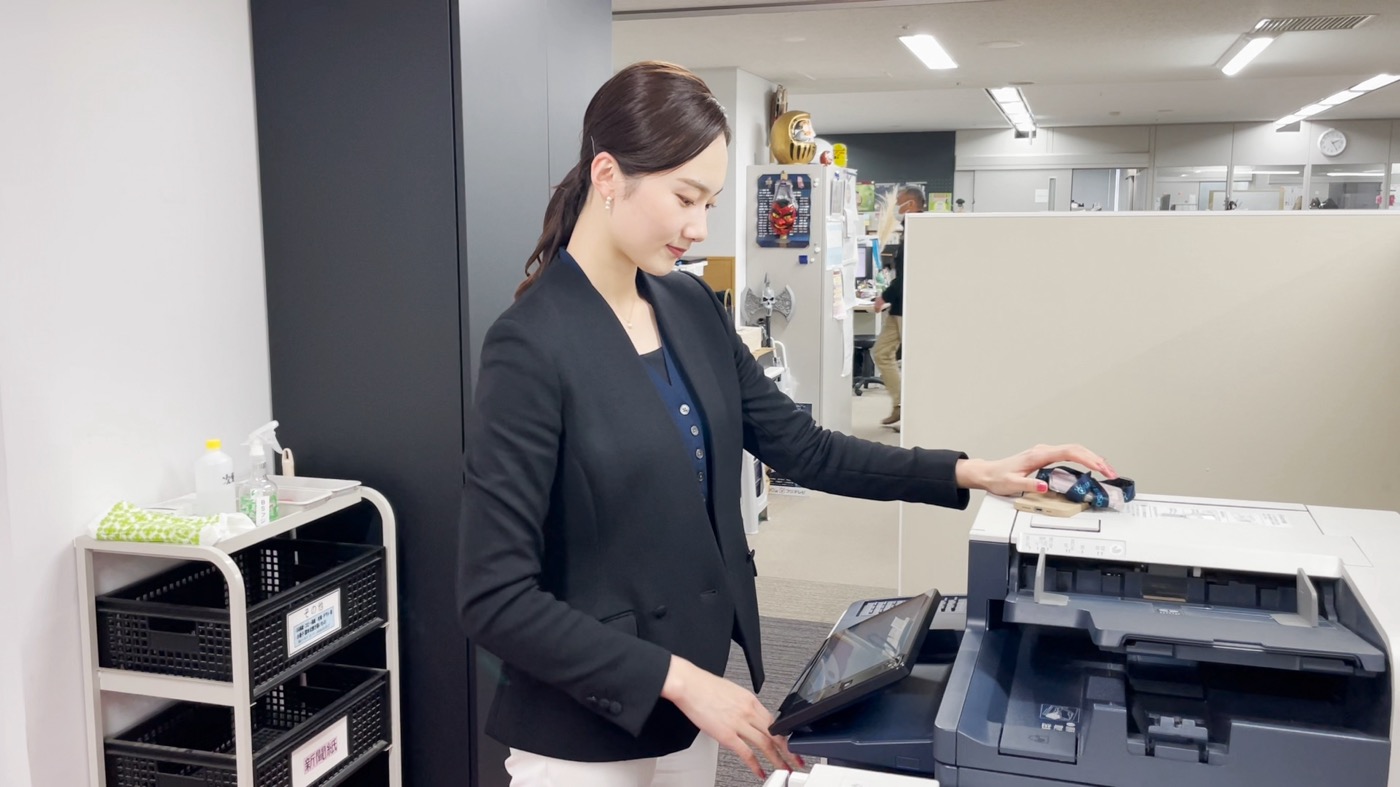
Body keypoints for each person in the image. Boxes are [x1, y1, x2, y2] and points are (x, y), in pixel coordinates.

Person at [457, 61, 1117, 787]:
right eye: (685, 197)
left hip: (692, 706)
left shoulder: (688, 308)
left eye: (709, 202)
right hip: (586, 724)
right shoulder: (530, 345)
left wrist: (972, 470)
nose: (696, 227)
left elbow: (804, 449)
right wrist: (677, 678)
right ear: (608, 175)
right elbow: (494, 597)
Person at [872, 185, 924, 426]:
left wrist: (884, 296)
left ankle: (909, 410)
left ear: (911, 205)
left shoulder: (921, 231)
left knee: (914, 360)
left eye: (900, 203)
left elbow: (909, 275)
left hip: (909, 306)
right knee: (882, 353)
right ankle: (900, 405)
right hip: (900, 307)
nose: (897, 209)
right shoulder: (910, 230)